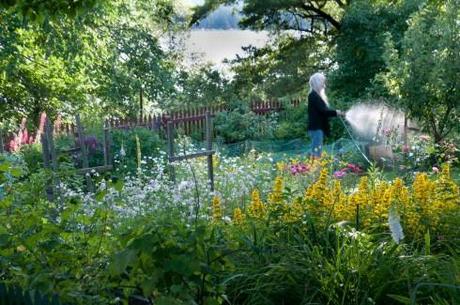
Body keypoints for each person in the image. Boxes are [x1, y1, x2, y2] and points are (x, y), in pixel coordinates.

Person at [307, 72, 344, 158]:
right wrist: (336, 112)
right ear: (318, 82)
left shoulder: (316, 95)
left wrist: (336, 113)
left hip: (318, 128)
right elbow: (323, 111)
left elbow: (323, 111)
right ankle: (315, 170)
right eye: (322, 82)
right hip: (316, 128)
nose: (324, 84)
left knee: (317, 151)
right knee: (316, 152)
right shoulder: (313, 95)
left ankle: (315, 168)